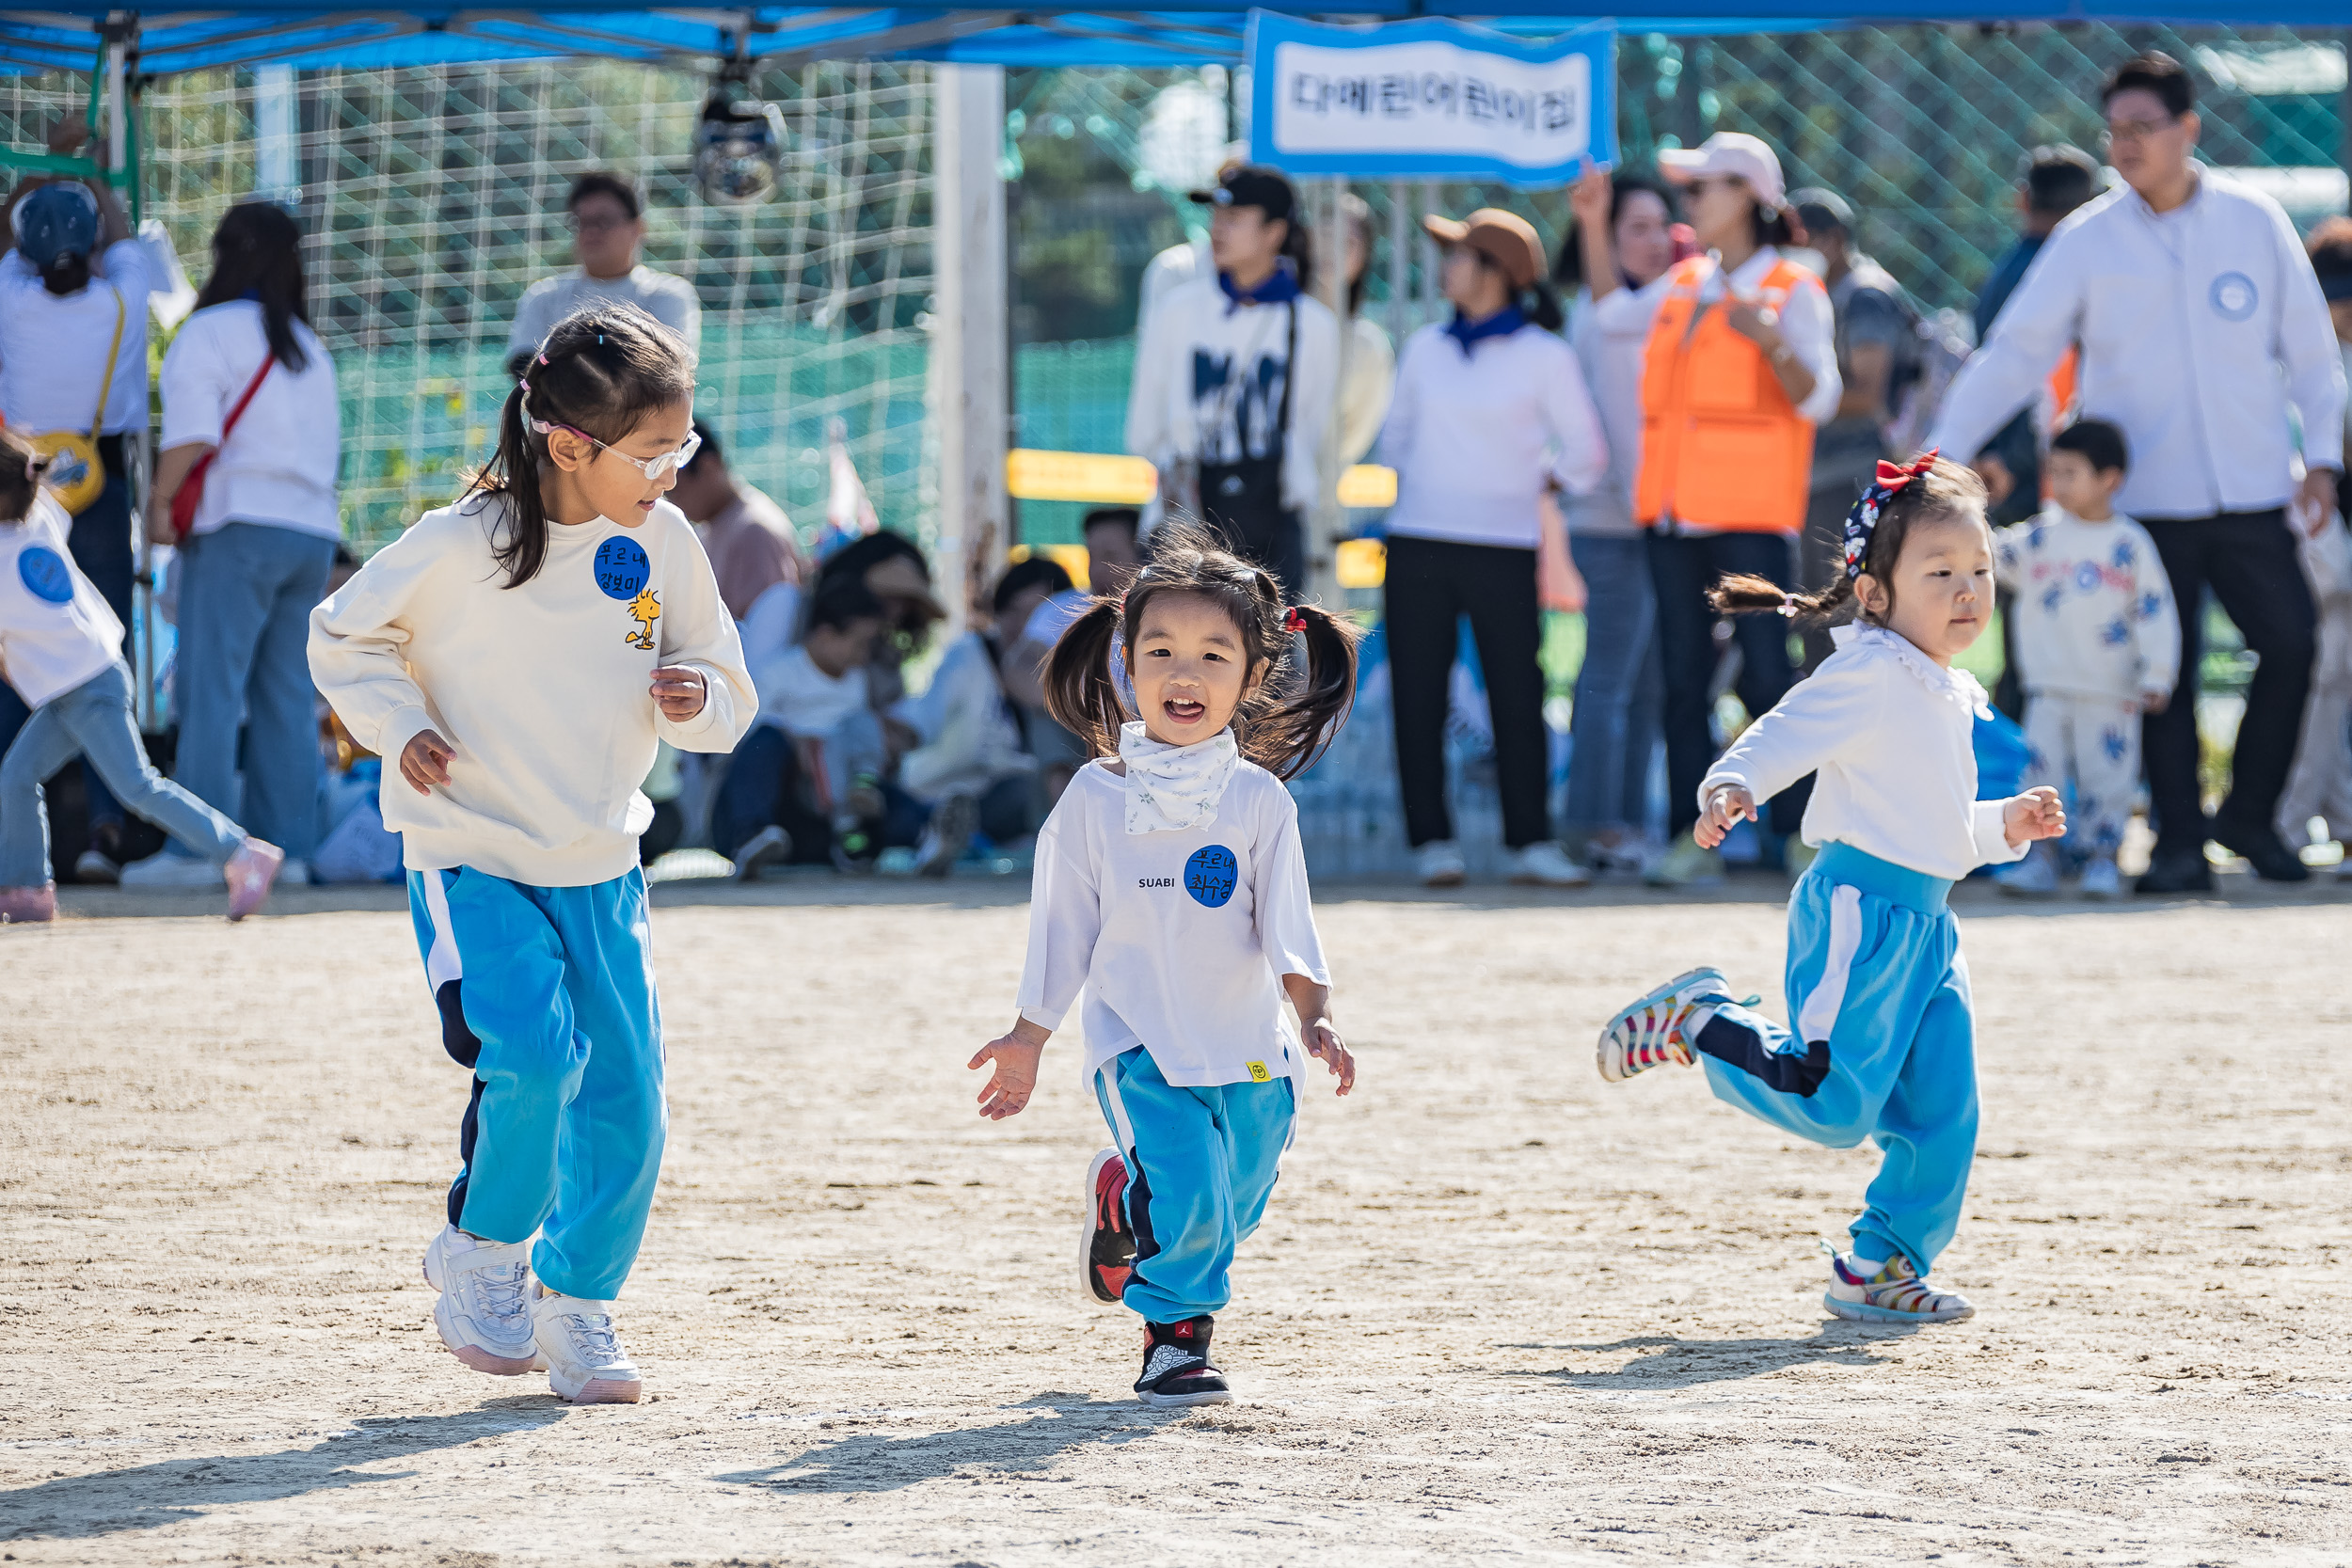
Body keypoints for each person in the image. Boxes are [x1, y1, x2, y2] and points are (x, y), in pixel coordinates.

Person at [309, 305, 755, 1406]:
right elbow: (340, 635)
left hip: (601, 861)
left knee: (632, 1104)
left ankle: (579, 1300)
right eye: (653, 456)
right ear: (568, 444)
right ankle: (481, 1248)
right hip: (472, 852)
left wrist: (698, 697)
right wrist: (396, 723)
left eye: (681, 451)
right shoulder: (460, 542)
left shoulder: (664, 542)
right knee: (536, 1059)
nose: (673, 476)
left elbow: (728, 689)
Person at [1595, 454, 2066, 1325]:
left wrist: (2004, 825)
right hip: (1859, 912)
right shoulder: (1872, 669)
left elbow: (1936, 825)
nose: (1968, 590)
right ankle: (1701, 1019)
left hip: (1929, 929)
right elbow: (1781, 734)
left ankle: (1882, 1265)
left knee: (1943, 1114)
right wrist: (1730, 787)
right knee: (1831, 1100)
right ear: (1876, 593)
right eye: (1941, 573)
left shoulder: (1945, 688)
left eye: (1979, 571)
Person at [1929, 52, 2345, 894]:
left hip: (2255, 489)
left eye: (2143, 129)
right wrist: (1941, 452)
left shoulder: (2253, 221)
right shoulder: (2090, 239)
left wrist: (2326, 461)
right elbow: (2015, 354)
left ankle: (2250, 817)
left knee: (2295, 645)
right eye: (2115, 131)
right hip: (2142, 504)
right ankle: (2180, 845)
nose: (2125, 146)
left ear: (2188, 130)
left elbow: (2311, 354)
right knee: (2165, 676)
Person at [966, 524, 1360, 1408]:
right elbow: (1061, 927)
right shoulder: (1093, 800)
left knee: (1231, 1206)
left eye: (1214, 655)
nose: (1186, 674)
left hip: (1251, 1047)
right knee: (1192, 1199)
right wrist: (1029, 1035)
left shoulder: (1261, 800)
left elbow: (1289, 924)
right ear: (1126, 664)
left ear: (1253, 677)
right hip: (1139, 1046)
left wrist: (1316, 1015)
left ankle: (1123, 1201)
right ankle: (1176, 1341)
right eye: (1162, 651)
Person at [1379, 207, 1606, 888]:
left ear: (1498, 273)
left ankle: (1529, 841)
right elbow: (1394, 438)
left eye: (1459, 255)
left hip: (1505, 544)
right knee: (1415, 695)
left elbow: (1589, 453)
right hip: (1417, 538)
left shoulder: (1547, 355)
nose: (1445, 266)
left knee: (1518, 691)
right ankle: (1432, 843)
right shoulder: (1425, 346)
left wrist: (1537, 482)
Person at [1638, 133, 1842, 887]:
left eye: (1702, 189)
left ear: (1750, 197)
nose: (1688, 203)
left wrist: (1771, 345)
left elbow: (1819, 396)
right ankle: (1690, 837)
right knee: (1683, 680)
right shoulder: (1685, 281)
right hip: (1673, 515)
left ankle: (1796, 834)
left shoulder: (1794, 287)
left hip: (1752, 514)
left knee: (1766, 678)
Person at [129, 201, 342, 890]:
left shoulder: (210, 330)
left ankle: (204, 850)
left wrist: (158, 504)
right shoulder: (312, 346)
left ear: (224, 254)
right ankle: (293, 852)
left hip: (237, 526)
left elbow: (192, 435)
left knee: (210, 691)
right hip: (310, 532)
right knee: (286, 695)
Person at [0, 433, 282, 924]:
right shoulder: (39, 516)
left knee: (139, 786)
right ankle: (28, 891)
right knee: (17, 776)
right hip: (89, 677)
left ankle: (241, 853)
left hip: (85, 685)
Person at [0, 130, 153, 882]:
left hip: (15, 492)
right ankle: (104, 825)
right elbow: (121, 232)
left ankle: (12, 832)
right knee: (98, 653)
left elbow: (8, 224)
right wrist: (92, 171)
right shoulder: (123, 295)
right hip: (100, 488)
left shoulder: (12, 297)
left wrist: (50, 161)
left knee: (12, 650)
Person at [1125, 166, 1339, 594]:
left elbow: (1310, 429)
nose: (1217, 230)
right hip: (1185, 521)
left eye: (1235, 218)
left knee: (1269, 659)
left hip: (1271, 527)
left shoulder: (1313, 324)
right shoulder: (1178, 308)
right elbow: (1144, 424)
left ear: (1274, 232)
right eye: (1216, 217)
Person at [1988, 420, 2179, 899]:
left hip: (2111, 690)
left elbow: (2155, 610)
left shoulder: (2129, 543)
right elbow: (1987, 554)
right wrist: (1971, 506)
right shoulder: (2040, 536)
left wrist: (2158, 673)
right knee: (2039, 774)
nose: (2059, 483)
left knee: (2108, 780)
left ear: (2109, 478)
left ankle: (2102, 860)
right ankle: (2040, 859)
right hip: (2048, 686)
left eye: (2072, 472)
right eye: (2055, 471)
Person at [1562, 165, 1680, 872]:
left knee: (1649, 684)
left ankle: (1627, 822)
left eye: (1664, 225)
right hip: (1610, 522)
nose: (1657, 239)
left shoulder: (1660, 305)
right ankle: (1595, 823)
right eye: (1636, 227)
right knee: (1609, 677)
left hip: (1659, 523)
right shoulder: (1598, 312)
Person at [887, 558, 1059, 875]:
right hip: (936, 793)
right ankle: (938, 837)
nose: (1021, 626)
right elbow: (922, 719)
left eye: (1036, 616)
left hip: (999, 799)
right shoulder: (967, 655)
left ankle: (946, 841)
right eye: (1012, 612)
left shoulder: (1065, 674)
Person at [717, 576, 887, 879]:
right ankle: (751, 835)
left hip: (829, 799)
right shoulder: (779, 673)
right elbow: (743, 733)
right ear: (824, 635)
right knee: (766, 740)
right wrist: (799, 744)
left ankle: (913, 830)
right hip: (783, 793)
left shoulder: (857, 682)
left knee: (863, 730)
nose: (865, 655)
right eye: (860, 644)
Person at [1791, 188, 1915, 602]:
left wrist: (1793, 394)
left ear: (1832, 240)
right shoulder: (1826, 292)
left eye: (1798, 242)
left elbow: (1868, 396)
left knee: (1834, 606)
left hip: (1852, 473)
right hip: (1825, 472)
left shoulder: (1864, 297)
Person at [1973, 147, 2104, 530]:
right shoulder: (2070, 273)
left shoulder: (2006, 271)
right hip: (2046, 461)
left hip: (2012, 454)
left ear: (2023, 199)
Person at [2276, 220, 2352, 863]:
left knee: (2333, 682)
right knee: (2324, 678)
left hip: (2329, 539)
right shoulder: (2298, 358)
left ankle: (2334, 814)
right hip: (2319, 543)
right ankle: (2292, 819)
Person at [505, 174, 700, 378]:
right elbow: (524, 368)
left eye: (604, 221)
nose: (591, 232)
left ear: (638, 227)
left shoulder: (667, 294)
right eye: (581, 222)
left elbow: (673, 372)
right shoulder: (543, 296)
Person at [666, 419, 803, 621]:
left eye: (676, 490)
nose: (674, 503)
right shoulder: (714, 526)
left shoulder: (755, 532)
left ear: (709, 466)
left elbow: (767, 630)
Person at [1335, 193, 1396, 471]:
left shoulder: (1368, 347)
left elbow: (1355, 440)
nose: (1331, 252)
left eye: (1347, 243)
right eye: (1324, 237)